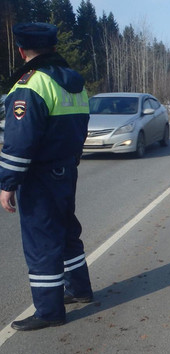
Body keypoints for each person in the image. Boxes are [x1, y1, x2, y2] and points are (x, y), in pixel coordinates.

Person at [0, 22, 93, 331]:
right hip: (66, 170)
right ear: (54, 48)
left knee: (41, 244)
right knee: (67, 233)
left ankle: (49, 311)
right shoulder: (75, 83)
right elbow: (80, 130)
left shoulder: (31, 85)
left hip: (39, 177)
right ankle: (79, 289)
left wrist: (7, 183)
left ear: (21, 50)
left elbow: (20, 143)